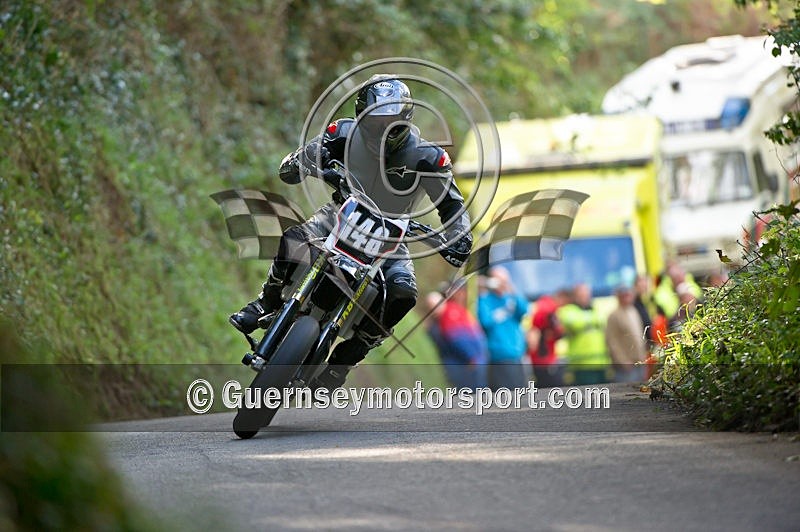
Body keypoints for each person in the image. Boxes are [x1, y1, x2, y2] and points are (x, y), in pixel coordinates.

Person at [229, 75, 473, 390]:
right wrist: (303, 163)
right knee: (294, 239)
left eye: (392, 125)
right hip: (339, 217)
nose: (383, 133)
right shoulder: (342, 132)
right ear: (361, 119)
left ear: (407, 122)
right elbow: (300, 159)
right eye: (375, 124)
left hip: (391, 237)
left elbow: (453, 205)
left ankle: (347, 357)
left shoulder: (429, 157)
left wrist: (459, 237)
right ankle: (266, 302)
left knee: (402, 293)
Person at [424, 285, 488, 390]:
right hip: (472, 358)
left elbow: (459, 339)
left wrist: (472, 356)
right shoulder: (451, 311)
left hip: (471, 360)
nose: (433, 310)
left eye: (434, 306)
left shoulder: (449, 315)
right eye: (431, 307)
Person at [477, 267, 530, 390]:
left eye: (503, 280)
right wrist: (483, 291)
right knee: (505, 393)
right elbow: (485, 321)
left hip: (517, 353)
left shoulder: (511, 298)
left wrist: (511, 290)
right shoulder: (486, 299)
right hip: (499, 355)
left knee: (521, 392)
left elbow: (524, 310)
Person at [556, 283, 609, 385]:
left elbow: (602, 320)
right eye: (581, 294)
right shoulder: (567, 310)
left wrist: (588, 321)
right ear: (575, 296)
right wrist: (593, 321)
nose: (585, 297)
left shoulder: (595, 309)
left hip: (600, 363)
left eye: (587, 294)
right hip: (581, 365)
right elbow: (576, 323)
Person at [605, 284, 648, 383]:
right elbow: (612, 341)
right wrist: (622, 361)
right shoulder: (614, 315)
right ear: (618, 297)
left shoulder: (633, 311)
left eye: (629, 295)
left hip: (640, 360)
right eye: (624, 295)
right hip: (627, 364)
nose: (627, 298)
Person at [527, 289, 569, 388]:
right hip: (545, 357)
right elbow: (558, 331)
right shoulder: (550, 309)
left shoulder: (541, 305)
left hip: (539, 357)